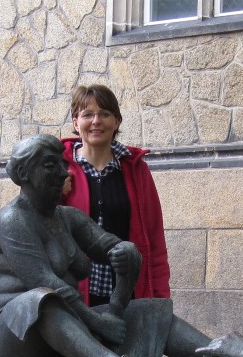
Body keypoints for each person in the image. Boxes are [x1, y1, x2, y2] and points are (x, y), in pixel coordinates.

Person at [0, 134, 243, 357]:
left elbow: (111, 246)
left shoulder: (68, 218)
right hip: (10, 341)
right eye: (51, 165)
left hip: (58, 347)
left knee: (148, 312)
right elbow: (46, 281)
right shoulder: (13, 220)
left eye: (63, 164)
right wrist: (98, 322)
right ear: (24, 173)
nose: (63, 173)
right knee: (42, 299)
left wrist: (121, 283)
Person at [61, 85, 170, 308]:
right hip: (74, 298)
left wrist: (160, 298)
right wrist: (55, 191)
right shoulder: (57, 169)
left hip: (127, 296)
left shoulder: (136, 170)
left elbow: (154, 239)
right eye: (87, 115)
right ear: (75, 122)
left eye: (104, 114)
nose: (96, 121)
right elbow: (36, 224)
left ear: (117, 121)